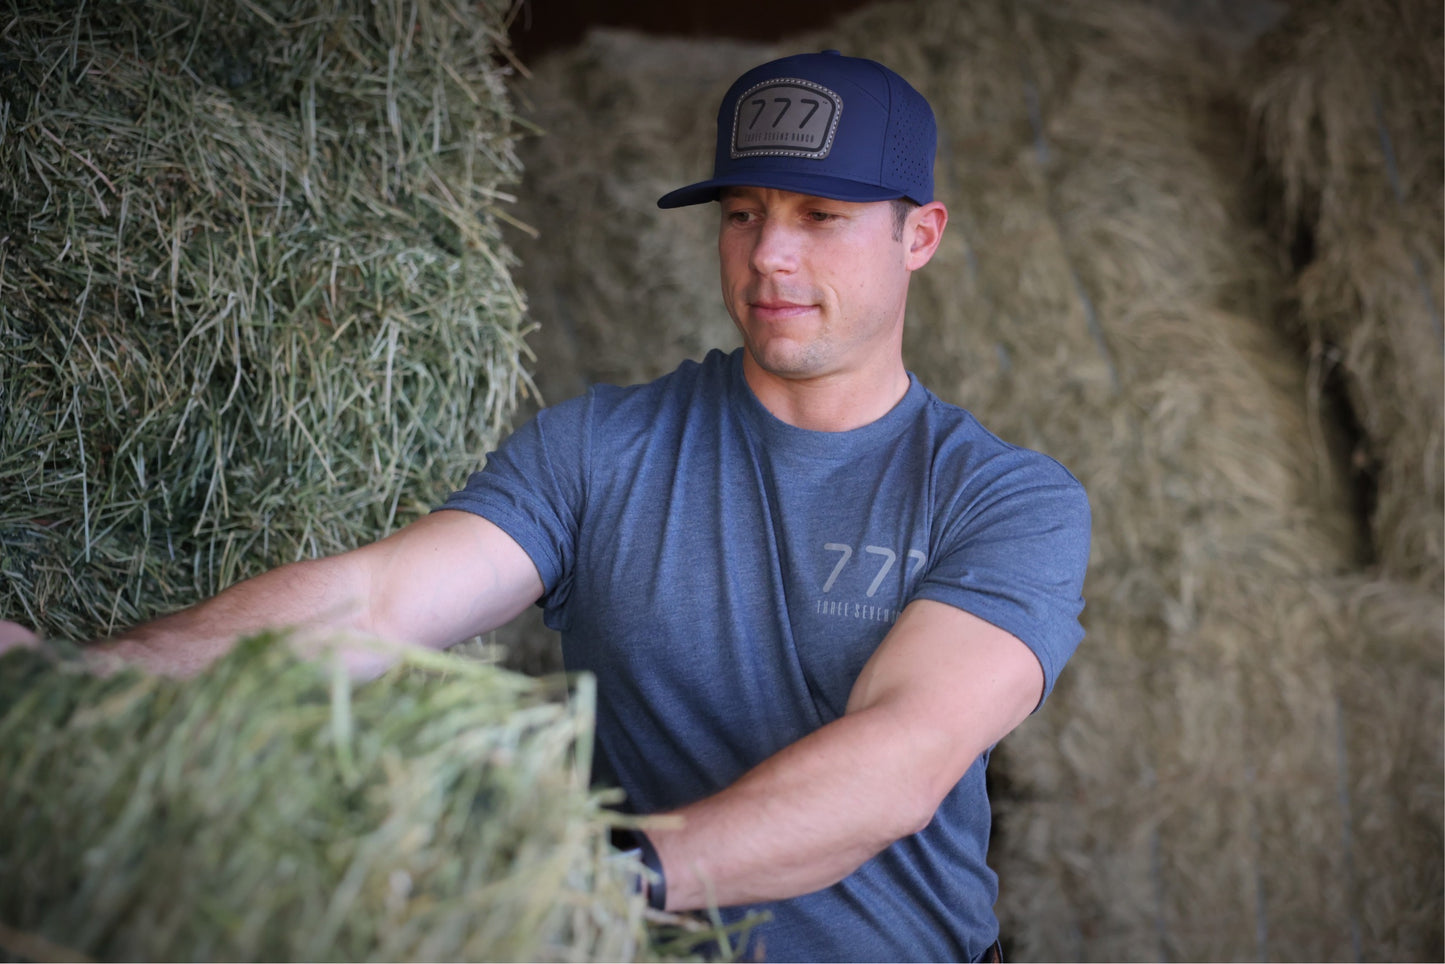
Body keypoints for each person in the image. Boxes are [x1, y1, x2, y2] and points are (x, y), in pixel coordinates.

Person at [0, 51, 1089, 963]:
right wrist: (84, 689)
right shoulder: (601, 445)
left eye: (821, 215)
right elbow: (377, 603)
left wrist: (591, 881)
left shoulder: (1003, 499)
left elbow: (901, 756)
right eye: (742, 212)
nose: (768, 255)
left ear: (920, 236)